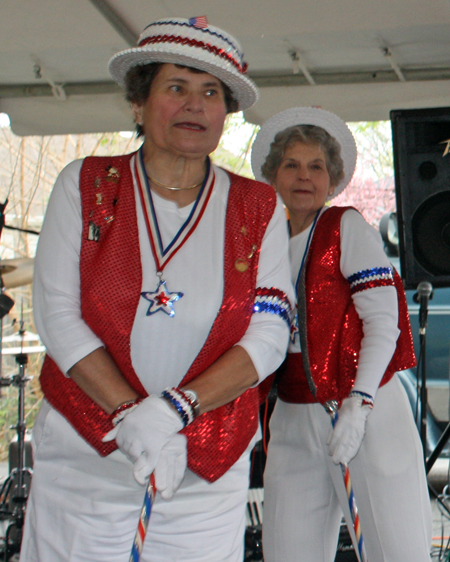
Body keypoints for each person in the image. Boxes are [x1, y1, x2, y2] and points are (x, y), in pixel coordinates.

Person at [20, 17, 294, 562]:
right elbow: (56, 314)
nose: (195, 104)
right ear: (139, 105)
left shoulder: (258, 206)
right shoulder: (86, 184)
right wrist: (129, 413)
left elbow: (270, 329)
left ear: (226, 114)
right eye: (177, 87)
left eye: (211, 92)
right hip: (86, 460)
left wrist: (173, 412)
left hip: (205, 470)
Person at [251, 107, 432, 562]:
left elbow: (384, 322)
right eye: (291, 164)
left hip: (363, 411)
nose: (304, 176)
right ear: (273, 175)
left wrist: (361, 400)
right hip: (291, 416)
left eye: (316, 166)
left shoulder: (344, 227)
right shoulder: (258, 245)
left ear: (332, 180)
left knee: (397, 551)